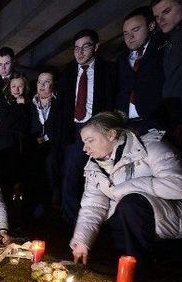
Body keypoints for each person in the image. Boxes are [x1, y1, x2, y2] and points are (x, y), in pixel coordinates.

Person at [70, 111, 182, 281]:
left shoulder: (151, 147)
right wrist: (82, 242)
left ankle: (139, 277)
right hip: (138, 216)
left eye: (90, 141)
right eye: (84, 142)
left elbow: (178, 186)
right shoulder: (95, 166)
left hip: (181, 211)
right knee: (112, 213)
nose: (85, 148)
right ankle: (126, 273)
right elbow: (93, 206)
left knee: (130, 203)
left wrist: (125, 188)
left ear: (111, 134)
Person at [59, 29, 116, 225]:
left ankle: (99, 223)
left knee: (101, 177)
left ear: (96, 47)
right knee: (71, 178)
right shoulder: (67, 72)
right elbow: (62, 106)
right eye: (76, 48)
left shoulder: (108, 70)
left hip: (99, 130)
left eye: (85, 46)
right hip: (75, 131)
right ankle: (72, 225)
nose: (80, 52)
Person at [151, 0, 182, 175]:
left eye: (166, 12)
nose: (160, 19)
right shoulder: (171, 38)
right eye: (157, 16)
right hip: (179, 121)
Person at [116, 6, 167, 134]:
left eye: (136, 30)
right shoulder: (121, 58)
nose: (130, 37)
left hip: (158, 121)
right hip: (127, 124)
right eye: (126, 33)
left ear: (151, 26)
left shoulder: (164, 47)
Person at [0, 72, 30, 203]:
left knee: (13, 188)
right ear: (9, 88)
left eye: (20, 86)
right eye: (14, 86)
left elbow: (25, 126)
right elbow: (6, 124)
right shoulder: (2, 103)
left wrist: (20, 110)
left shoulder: (28, 104)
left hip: (17, 152)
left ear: (25, 87)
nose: (17, 89)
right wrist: (19, 107)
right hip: (1, 151)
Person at [27, 70, 62, 215]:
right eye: (40, 82)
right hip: (33, 153)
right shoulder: (29, 104)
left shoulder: (60, 104)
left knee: (51, 184)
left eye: (46, 82)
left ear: (53, 85)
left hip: (53, 152)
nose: (42, 85)